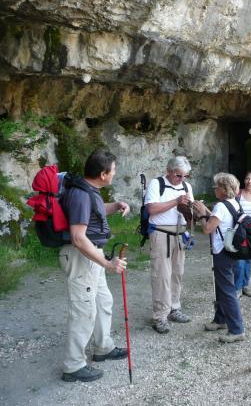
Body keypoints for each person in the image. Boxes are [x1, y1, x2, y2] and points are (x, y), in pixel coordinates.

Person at [59, 149, 130, 382]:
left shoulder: (91, 190)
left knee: (103, 301)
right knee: (83, 310)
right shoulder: (80, 194)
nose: (114, 174)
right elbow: (78, 237)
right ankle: (73, 366)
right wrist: (109, 264)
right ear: (103, 174)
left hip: (91, 256)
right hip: (82, 257)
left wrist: (116, 205)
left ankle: (103, 348)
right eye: (113, 171)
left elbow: (95, 211)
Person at [193, 173, 246, 343]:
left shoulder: (220, 206)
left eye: (216, 187)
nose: (214, 189)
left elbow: (208, 229)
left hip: (222, 253)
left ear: (223, 189)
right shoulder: (234, 204)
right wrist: (207, 211)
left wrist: (201, 214)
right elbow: (220, 219)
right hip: (233, 250)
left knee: (227, 291)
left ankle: (237, 329)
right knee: (223, 287)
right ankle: (220, 319)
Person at [145, 156, 194, 334]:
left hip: (180, 234)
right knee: (161, 275)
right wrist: (176, 202)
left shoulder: (187, 187)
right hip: (160, 233)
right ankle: (160, 316)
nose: (181, 180)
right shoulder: (156, 184)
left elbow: (190, 215)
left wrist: (191, 212)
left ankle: (174, 308)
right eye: (178, 175)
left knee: (177, 273)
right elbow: (151, 209)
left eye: (185, 176)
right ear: (169, 171)